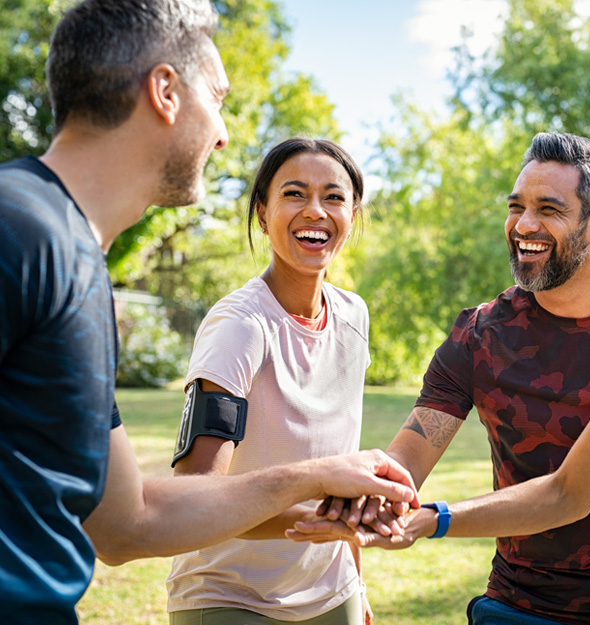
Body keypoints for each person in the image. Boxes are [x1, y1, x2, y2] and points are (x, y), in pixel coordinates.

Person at [0, 3, 419, 624]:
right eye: (217, 98)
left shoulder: (80, 262)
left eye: (335, 196)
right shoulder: (19, 231)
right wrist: (319, 477)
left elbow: (126, 524)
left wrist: (324, 492)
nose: (222, 133)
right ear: (165, 91)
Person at [291, 103, 590, 625]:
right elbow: (407, 463)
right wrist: (366, 504)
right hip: (517, 605)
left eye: (549, 209)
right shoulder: (480, 334)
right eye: (516, 207)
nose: (523, 225)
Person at [166, 137, 375, 625]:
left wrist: (355, 580)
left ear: (353, 213)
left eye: (334, 197)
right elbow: (196, 498)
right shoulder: (240, 326)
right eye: (295, 194)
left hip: (330, 592)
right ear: (262, 213)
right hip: (228, 596)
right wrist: (323, 521)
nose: (315, 211)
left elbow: (340, 461)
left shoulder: (353, 316)